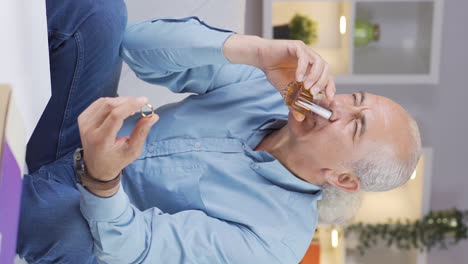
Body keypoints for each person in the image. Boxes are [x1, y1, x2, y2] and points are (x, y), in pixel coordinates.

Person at [17, 0, 422, 263]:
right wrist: (254, 51)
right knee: (99, 13)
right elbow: (136, 46)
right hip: (83, 132)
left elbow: (134, 247)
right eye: (354, 99)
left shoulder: (275, 242)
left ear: (344, 179)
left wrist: (103, 180)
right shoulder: (272, 86)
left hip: (90, 209)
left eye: (355, 125)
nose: (337, 106)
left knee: (67, 225)